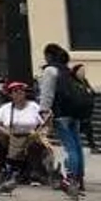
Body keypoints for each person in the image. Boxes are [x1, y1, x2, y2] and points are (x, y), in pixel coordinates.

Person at [40, 43, 89, 195]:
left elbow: (47, 94)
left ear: (49, 55)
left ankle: (72, 179)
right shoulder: (67, 70)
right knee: (77, 146)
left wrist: (44, 113)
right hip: (74, 113)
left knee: (70, 148)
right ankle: (79, 179)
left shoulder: (50, 70)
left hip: (61, 114)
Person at [0, 81, 51, 183]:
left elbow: (45, 124)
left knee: (36, 144)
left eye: (21, 91)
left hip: (30, 137)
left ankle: (34, 172)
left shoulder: (34, 106)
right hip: (11, 137)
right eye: (15, 91)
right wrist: (6, 132)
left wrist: (41, 134)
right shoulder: (5, 108)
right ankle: (2, 171)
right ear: (10, 94)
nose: (19, 93)